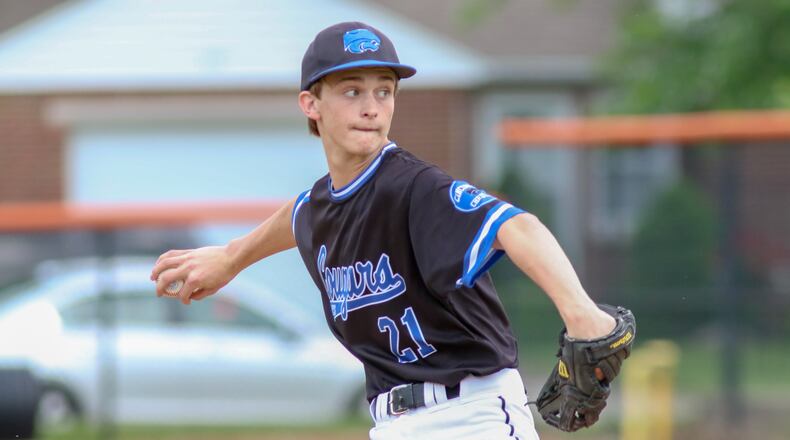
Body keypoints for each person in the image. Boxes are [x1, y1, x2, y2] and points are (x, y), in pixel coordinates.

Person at [150, 21, 616, 440]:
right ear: (310, 104)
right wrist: (232, 257)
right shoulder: (318, 208)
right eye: (352, 91)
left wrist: (581, 315)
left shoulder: (414, 187)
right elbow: (299, 215)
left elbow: (519, 227)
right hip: (393, 424)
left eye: (384, 91)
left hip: (472, 416)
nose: (372, 107)